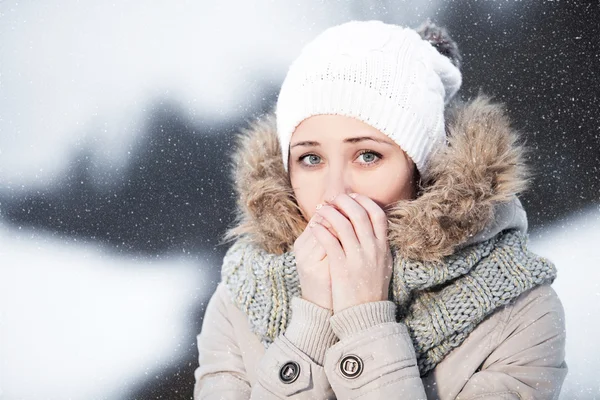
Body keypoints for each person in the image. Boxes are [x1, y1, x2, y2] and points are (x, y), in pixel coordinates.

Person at [193, 19, 568, 399]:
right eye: (310, 158)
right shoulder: (241, 296)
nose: (334, 190)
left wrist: (366, 322)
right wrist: (312, 326)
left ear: (424, 166)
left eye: (367, 155)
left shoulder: (519, 311)